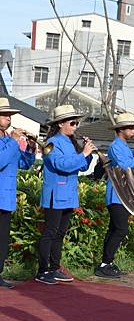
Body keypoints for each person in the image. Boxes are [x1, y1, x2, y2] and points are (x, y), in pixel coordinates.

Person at [37, 105, 95, 284]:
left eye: (77, 122)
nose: (76, 125)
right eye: (73, 122)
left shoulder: (70, 142)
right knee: (50, 232)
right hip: (56, 193)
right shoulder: (52, 142)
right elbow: (62, 165)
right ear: (61, 123)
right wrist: (83, 154)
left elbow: (82, 167)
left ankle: (54, 267)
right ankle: (42, 271)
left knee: (61, 232)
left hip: (69, 194)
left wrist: (88, 153)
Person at [95, 113, 134, 278]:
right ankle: (105, 263)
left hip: (125, 193)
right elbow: (125, 166)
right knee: (120, 228)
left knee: (115, 228)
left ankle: (107, 263)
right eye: (130, 127)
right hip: (117, 193)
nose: (133, 130)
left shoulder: (125, 147)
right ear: (120, 129)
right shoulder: (116, 146)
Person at [0, 98, 36, 288]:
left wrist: (30, 147)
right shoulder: (8, 141)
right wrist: (14, 141)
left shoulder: (8, 139)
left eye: (9, 115)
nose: (8, 118)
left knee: (3, 238)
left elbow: (24, 164)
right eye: (5, 115)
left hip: (5, 197)